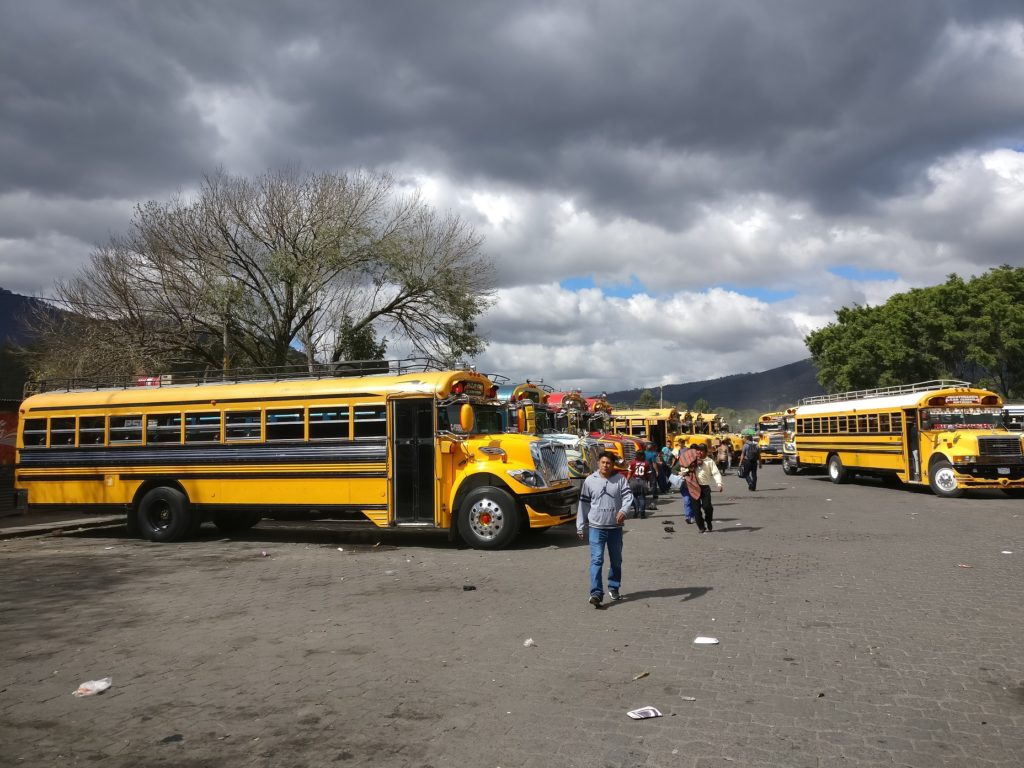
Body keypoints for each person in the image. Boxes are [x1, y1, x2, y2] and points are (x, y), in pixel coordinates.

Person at [577, 451, 633, 608]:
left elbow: (628, 498)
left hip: (615, 529)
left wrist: (623, 511)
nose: (605, 465)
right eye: (603, 462)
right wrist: (580, 526)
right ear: (598, 463)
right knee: (596, 560)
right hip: (596, 528)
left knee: (616, 560)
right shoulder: (589, 481)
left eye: (608, 463)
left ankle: (614, 586)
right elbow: (584, 504)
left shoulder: (620, 480)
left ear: (613, 465)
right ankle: (596, 593)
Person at [693, 443, 723, 533]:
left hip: (705, 487)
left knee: (707, 507)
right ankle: (701, 526)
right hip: (693, 487)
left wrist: (719, 484)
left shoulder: (710, 462)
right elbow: (682, 468)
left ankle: (708, 520)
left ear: (706, 452)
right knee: (696, 509)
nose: (699, 452)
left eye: (701, 450)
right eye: (698, 450)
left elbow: (716, 473)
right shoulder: (692, 460)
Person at [626, 450, 653, 519]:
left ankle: (636, 511)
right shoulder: (646, 463)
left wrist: (626, 481)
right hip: (642, 481)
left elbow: (629, 474)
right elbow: (649, 475)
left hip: (633, 481)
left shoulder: (632, 462)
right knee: (642, 498)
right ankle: (642, 513)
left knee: (634, 497)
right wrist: (649, 482)